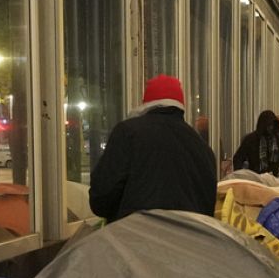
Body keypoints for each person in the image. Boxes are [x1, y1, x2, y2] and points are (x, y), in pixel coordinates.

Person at [89, 75, 217, 223]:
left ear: (145, 104)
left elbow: (101, 198)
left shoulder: (128, 133)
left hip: (132, 241)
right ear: (181, 106)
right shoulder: (204, 150)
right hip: (190, 244)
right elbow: (207, 211)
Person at [232, 109, 279, 177]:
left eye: (272, 125)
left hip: (274, 178)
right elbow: (238, 158)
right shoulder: (250, 139)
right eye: (269, 125)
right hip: (255, 177)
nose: (270, 128)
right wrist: (240, 176)